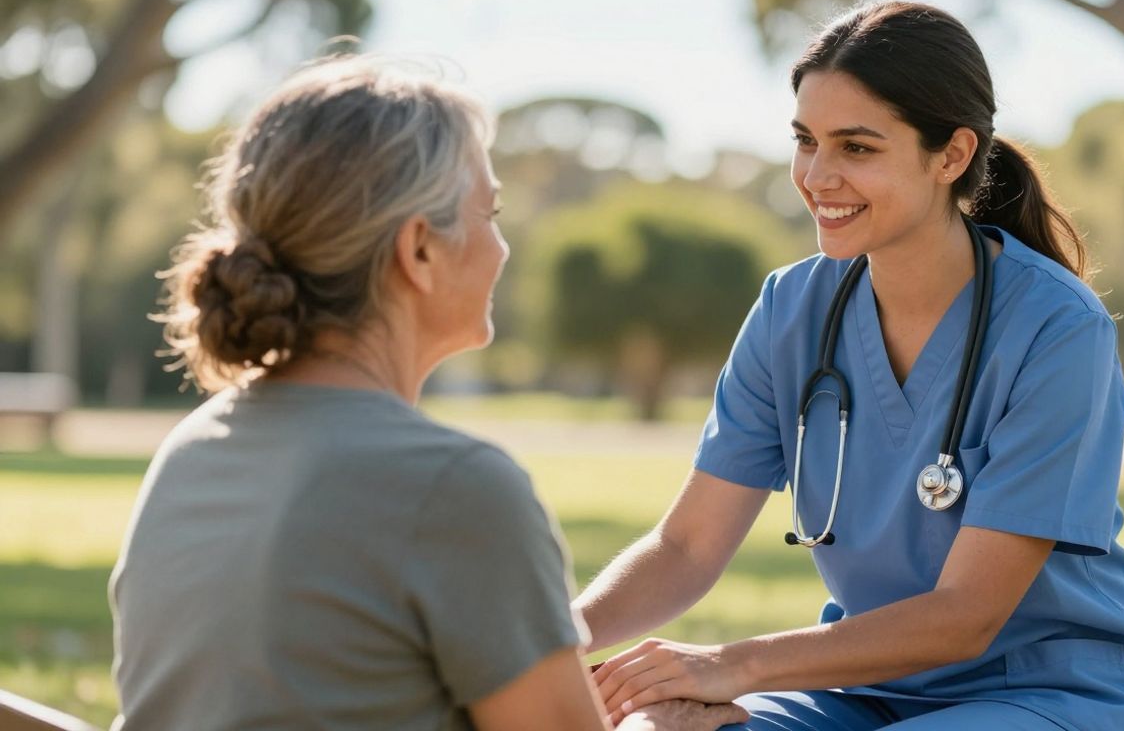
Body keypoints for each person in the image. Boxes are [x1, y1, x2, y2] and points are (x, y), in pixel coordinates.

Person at [579, 1, 1124, 731]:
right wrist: (543, 644)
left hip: (1052, 692)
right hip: (862, 693)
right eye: (806, 141)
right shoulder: (790, 309)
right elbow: (686, 545)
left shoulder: (1057, 328)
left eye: (856, 148)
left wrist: (734, 664)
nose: (817, 176)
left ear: (952, 156)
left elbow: (965, 618)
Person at [108, 54, 747, 731]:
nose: (502, 248)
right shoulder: (456, 488)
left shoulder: (191, 452)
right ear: (419, 251)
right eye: (490, 212)